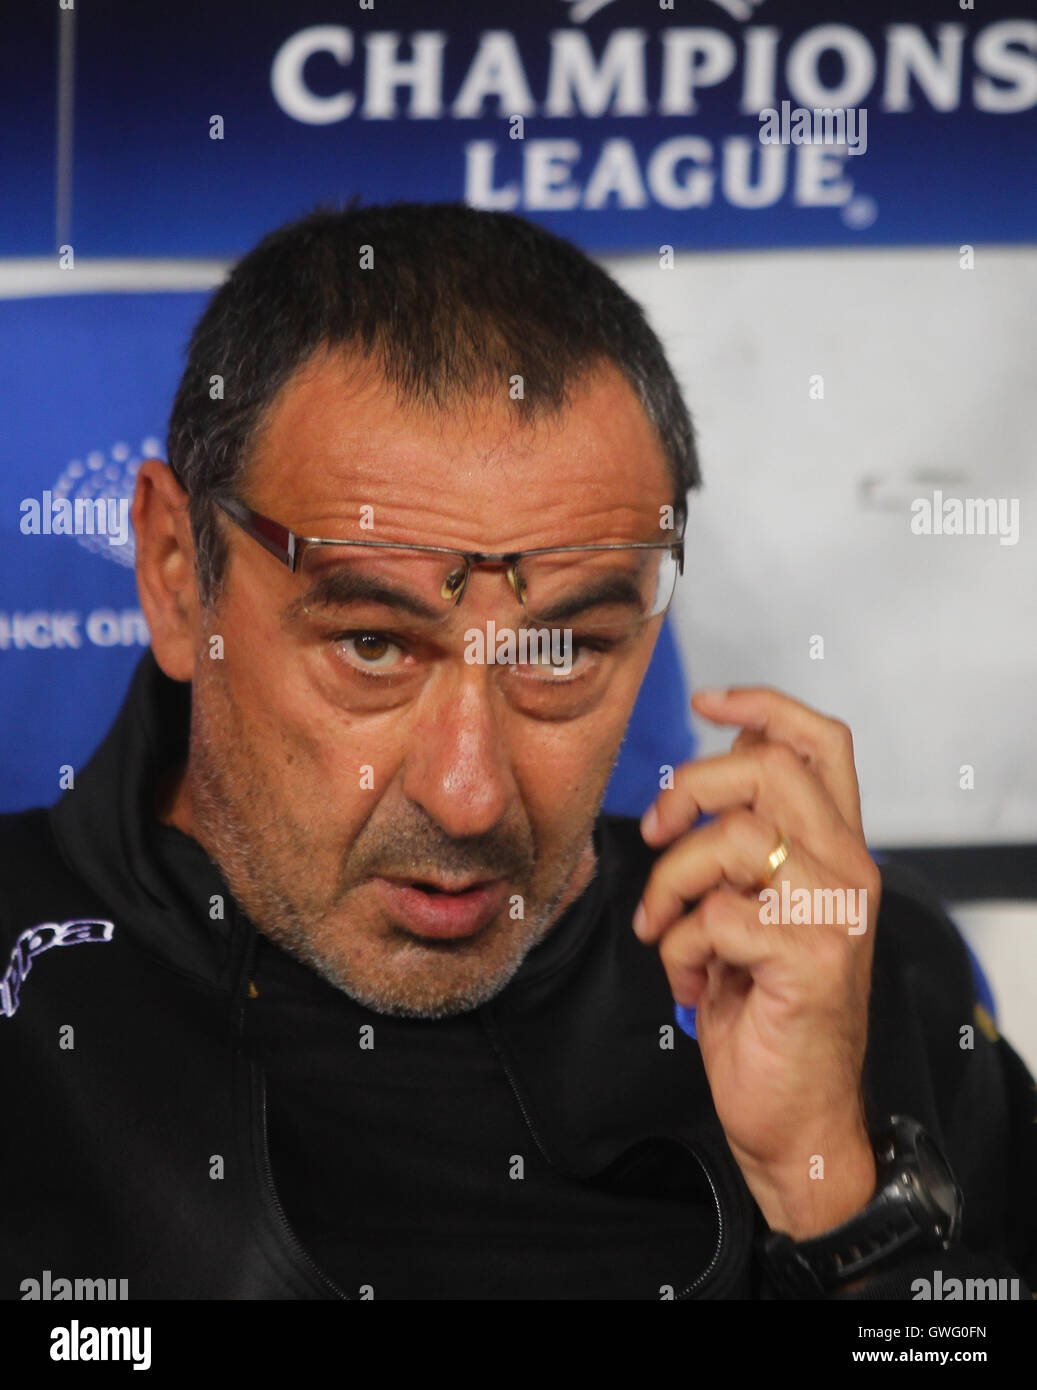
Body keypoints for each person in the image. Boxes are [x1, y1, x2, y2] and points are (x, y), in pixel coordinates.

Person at [2, 203, 1033, 1301]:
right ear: (174, 570)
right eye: (373, 644)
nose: (466, 793)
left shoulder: (842, 977)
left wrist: (837, 1208)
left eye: (565, 651)